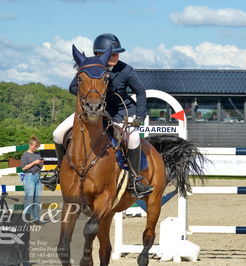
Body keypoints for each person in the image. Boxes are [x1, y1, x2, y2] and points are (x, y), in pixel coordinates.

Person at [41, 33, 153, 198]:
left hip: (121, 112)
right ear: (99, 54)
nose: (115, 57)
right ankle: (58, 172)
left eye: (117, 53)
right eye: (112, 53)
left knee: (134, 138)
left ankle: (135, 180)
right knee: (57, 133)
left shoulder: (125, 70)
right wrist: (91, 95)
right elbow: (73, 88)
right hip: (93, 110)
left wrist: (140, 116)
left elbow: (140, 91)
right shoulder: (88, 66)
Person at [21, 135, 44, 224]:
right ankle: (26, 219)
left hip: (38, 176)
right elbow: (24, 168)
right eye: (35, 146)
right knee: (29, 199)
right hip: (29, 176)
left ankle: (36, 219)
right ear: (30, 145)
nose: (36, 148)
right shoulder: (25, 155)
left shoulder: (38, 154)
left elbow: (41, 166)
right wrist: (35, 162)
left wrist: (41, 163)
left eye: (37, 146)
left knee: (37, 199)